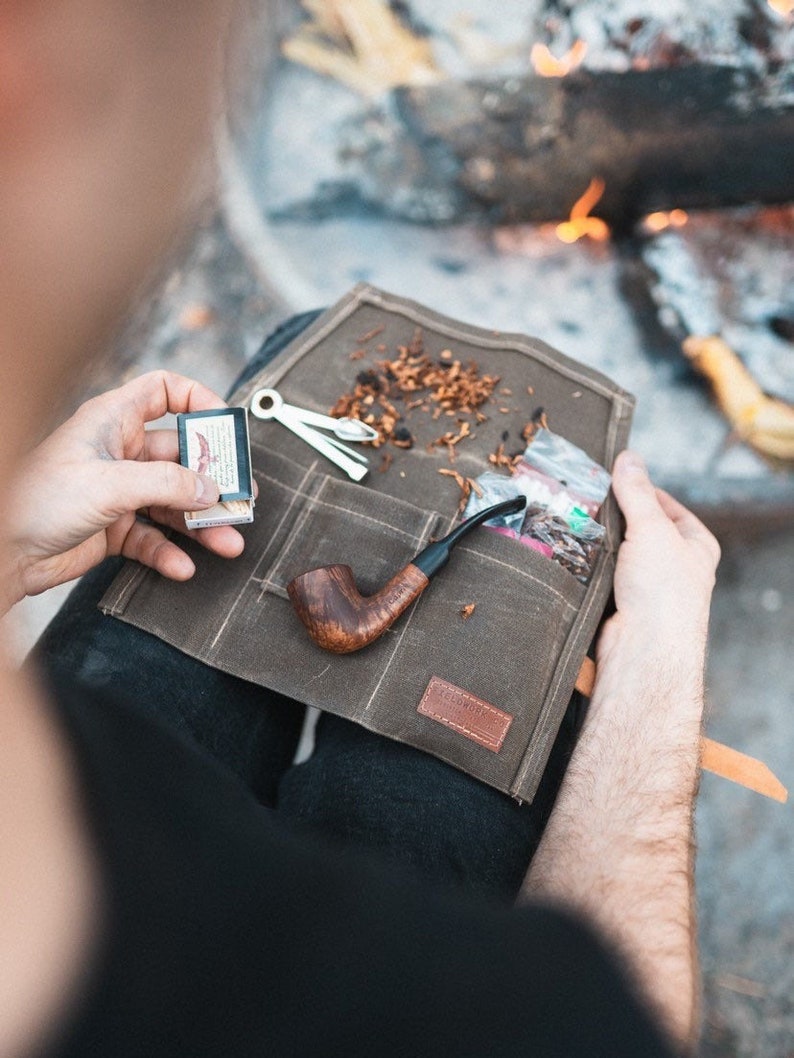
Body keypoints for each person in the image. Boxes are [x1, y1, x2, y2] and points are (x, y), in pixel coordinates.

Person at [0, 3, 720, 1056]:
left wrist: (15, 541)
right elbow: (634, 1024)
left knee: (303, 350)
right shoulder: (464, 1014)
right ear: (28, 85)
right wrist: (654, 684)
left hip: (112, 775)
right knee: (413, 781)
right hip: (331, 926)